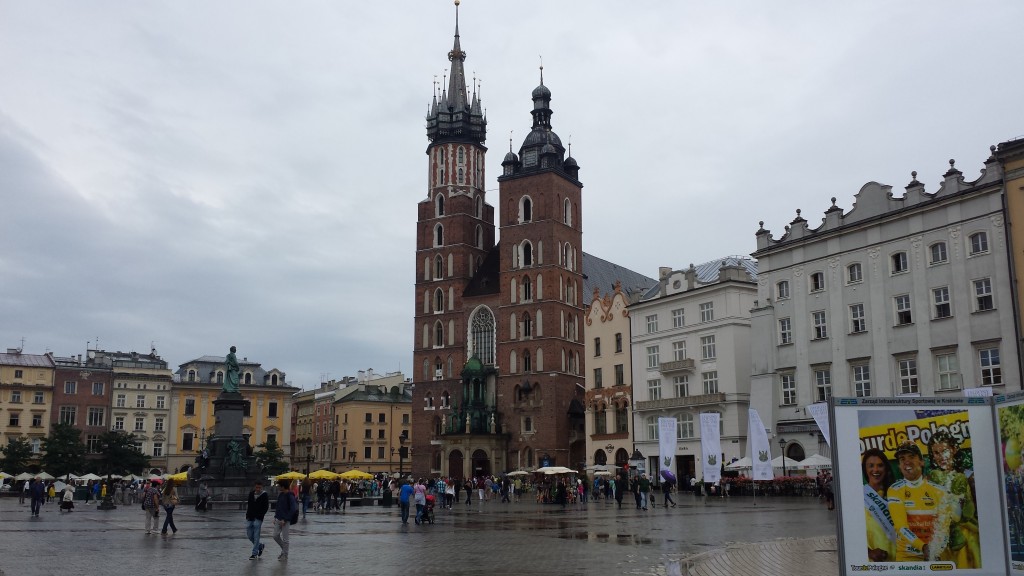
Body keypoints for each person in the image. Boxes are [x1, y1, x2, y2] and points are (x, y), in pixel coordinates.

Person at [887, 441, 959, 561]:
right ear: (899, 466)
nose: (907, 461)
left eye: (911, 456)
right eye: (902, 459)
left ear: (922, 462)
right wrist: (924, 547)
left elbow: (944, 528)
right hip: (907, 557)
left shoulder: (940, 491)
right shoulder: (895, 490)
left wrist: (935, 550)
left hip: (936, 555)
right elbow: (901, 527)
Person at [927, 430, 980, 568]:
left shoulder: (970, 478)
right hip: (943, 543)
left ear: (954, 449)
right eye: (936, 453)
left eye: (944, 451)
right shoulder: (929, 480)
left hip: (969, 540)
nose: (941, 457)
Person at [862, 448, 896, 562]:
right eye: (871, 466)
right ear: (865, 469)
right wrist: (869, 552)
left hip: (898, 562)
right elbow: (849, 535)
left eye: (880, 465)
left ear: (886, 468)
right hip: (872, 564)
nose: (875, 469)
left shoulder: (897, 494)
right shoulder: (859, 496)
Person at [273, 480, 298, 560]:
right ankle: (284, 551)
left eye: (279, 486)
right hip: (278, 518)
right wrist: (275, 517)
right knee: (275, 536)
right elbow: (278, 506)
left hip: (285, 520)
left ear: (283, 486)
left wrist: (286, 519)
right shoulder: (281, 495)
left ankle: (285, 554)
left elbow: (293, 509)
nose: (278, 487)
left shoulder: (290, 495)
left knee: (285, 538)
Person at [245, 480, 270, 560]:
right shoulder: (251, 493)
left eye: (259, 487)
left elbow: (266, 507)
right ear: (254, 487)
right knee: (249, 535)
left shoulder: (264, 495)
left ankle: (254, 553)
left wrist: (260, 515)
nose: (258, 489)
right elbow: (249, 505)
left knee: (256, 536)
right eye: (256, 487)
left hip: (258, 518)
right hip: (250, 516)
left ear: (262, 487)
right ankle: (260, 546)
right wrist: (247, 515)